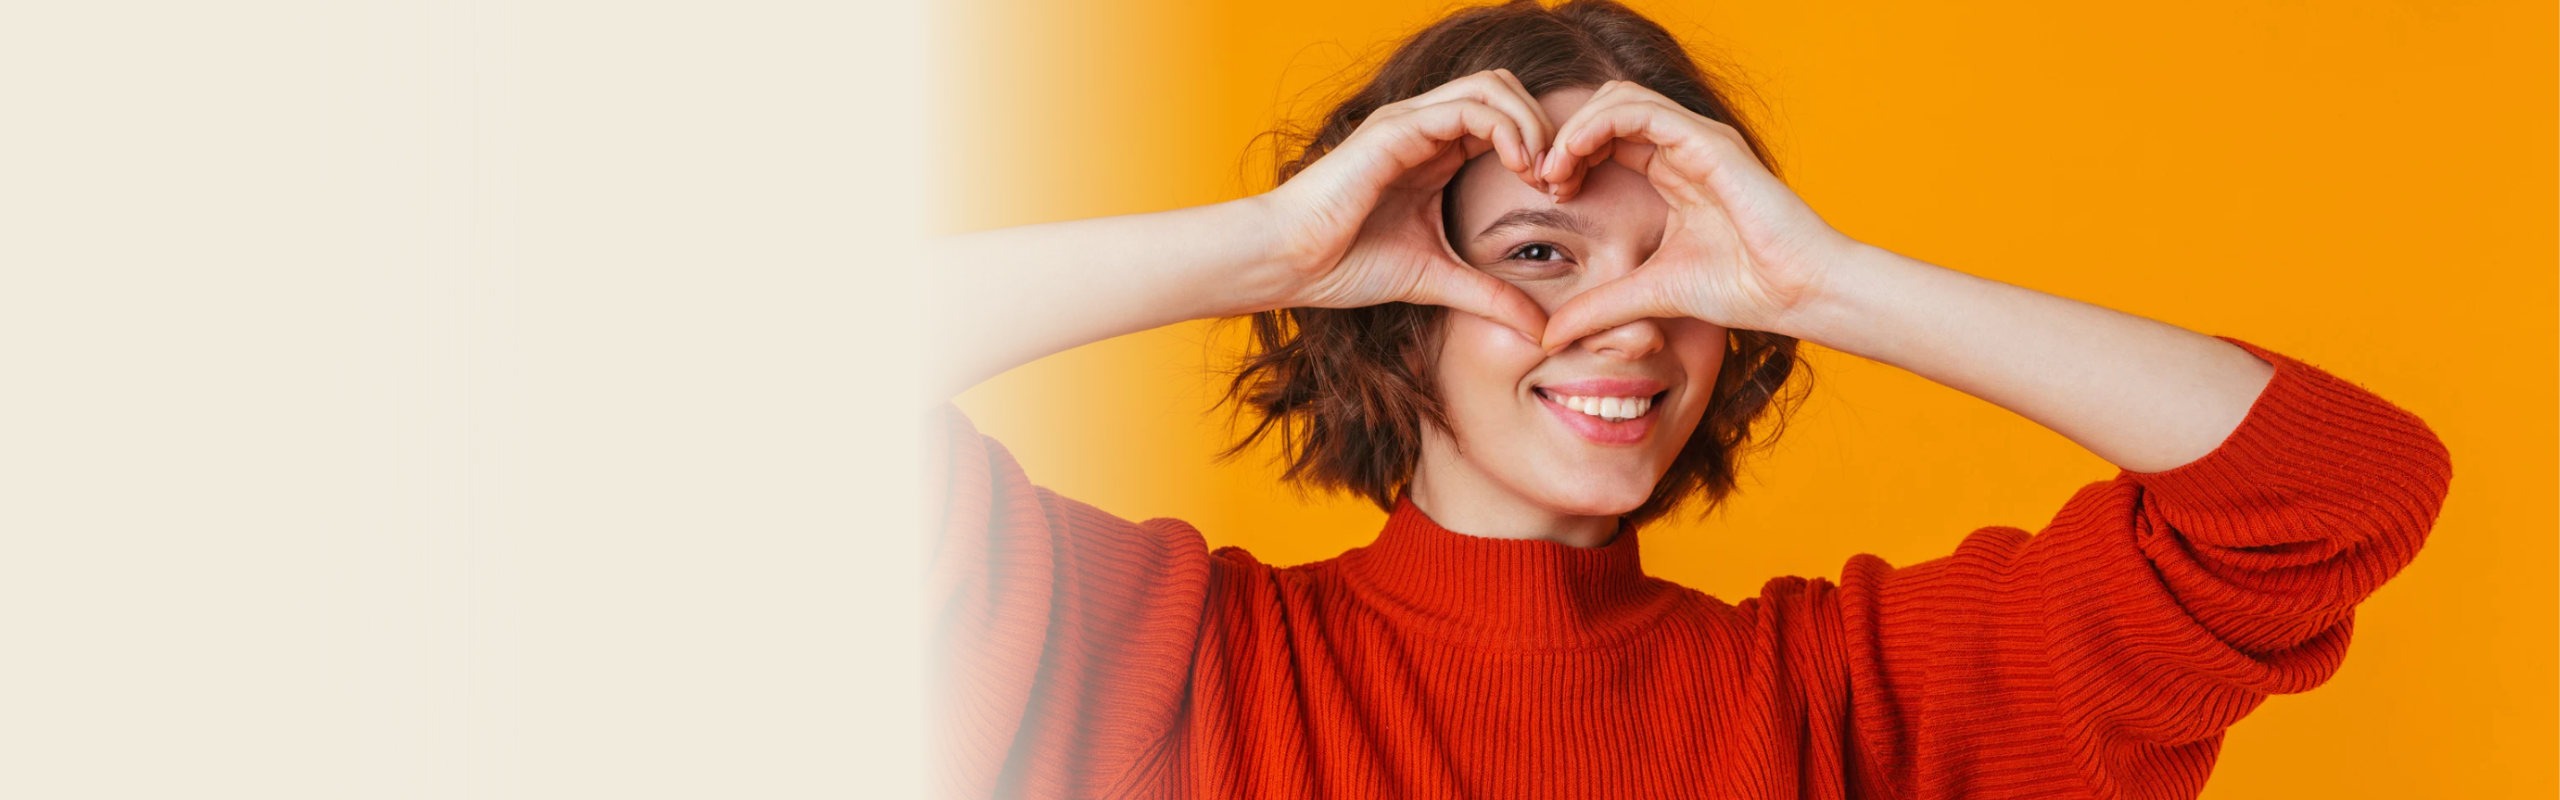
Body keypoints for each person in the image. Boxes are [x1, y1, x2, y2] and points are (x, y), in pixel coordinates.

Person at [923, 1, 2453, 797]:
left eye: (1679, 271)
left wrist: (1823, 280)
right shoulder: (1162, 663)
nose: (1624, 322)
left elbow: (2338, 492)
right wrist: (1266, 244)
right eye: (1539, 251)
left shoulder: (1859, 702)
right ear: (1389, 302)